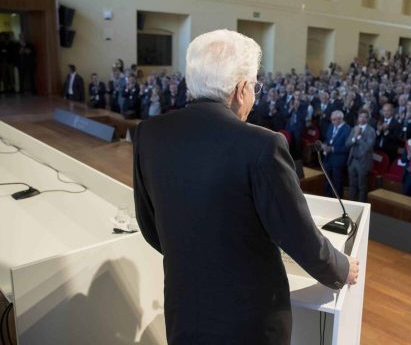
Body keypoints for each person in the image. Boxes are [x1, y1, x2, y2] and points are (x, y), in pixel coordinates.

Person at [133, 30, 358, 345]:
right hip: (250, 322)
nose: (254, 96)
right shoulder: (262, 146)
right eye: (254, 86)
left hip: (185, 308)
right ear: (241, 90)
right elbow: (298, 236)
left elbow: (150, 224)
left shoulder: (150, 134)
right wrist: (342, 267)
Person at [345, 109, 376, 202]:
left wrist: (358, 137)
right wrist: (355, 137)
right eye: (360, 117)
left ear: (367, 119)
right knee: (352, 184)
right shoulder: (354, 128)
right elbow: (347, 144)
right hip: (352, 161)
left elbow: (368, 147)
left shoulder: (371, 131)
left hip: (363, 162)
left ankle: (362, 205)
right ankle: (351, 203)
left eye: (364, 117)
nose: (362, 119)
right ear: (358, 118)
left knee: (362, 186)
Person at [321, 110, 351, 198]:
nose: (332, 121)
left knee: (337, 183)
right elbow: (327, 138)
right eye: (332, 119)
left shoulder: (347, 129)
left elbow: (347, 147)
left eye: (334, 120)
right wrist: (325, 145)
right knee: (327, 181)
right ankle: (327, 198)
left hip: (338, 160)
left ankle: (338, 201)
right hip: (328, 158)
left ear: (340, 119)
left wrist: (332, 149)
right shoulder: (331, 126)